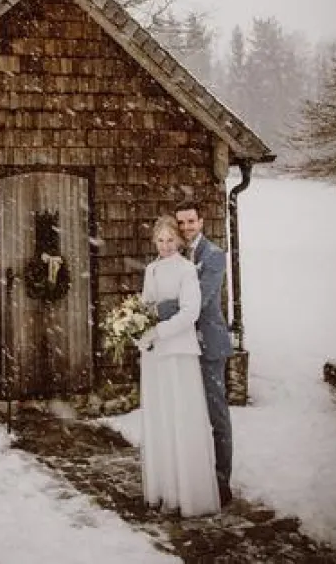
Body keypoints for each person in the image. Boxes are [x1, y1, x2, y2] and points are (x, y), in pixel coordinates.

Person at [139, 215, 220, 518]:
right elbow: (145, 305)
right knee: (161, 418)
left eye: (170, 239)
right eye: (160, 240)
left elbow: (190, 312)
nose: (165, 246)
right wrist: (137, 329)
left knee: (180, 418)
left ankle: (186, 493)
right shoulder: (151, 269)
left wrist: (159, 331)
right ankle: (164, 490)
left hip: (178, 350)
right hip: (155, 354)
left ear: (179, 240)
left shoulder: (188, 270)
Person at [157, 203, 233, 508]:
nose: (187, 227)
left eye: (191, 221)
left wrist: (159, 310)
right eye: (182, 222)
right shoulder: (176, 255)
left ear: (201, 221)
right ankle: (195, 478)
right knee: (190, 412)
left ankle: (222, 480)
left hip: (210, 344)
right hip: (184, 343)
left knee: (217, 414)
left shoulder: (212, 255)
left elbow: (199, 299)